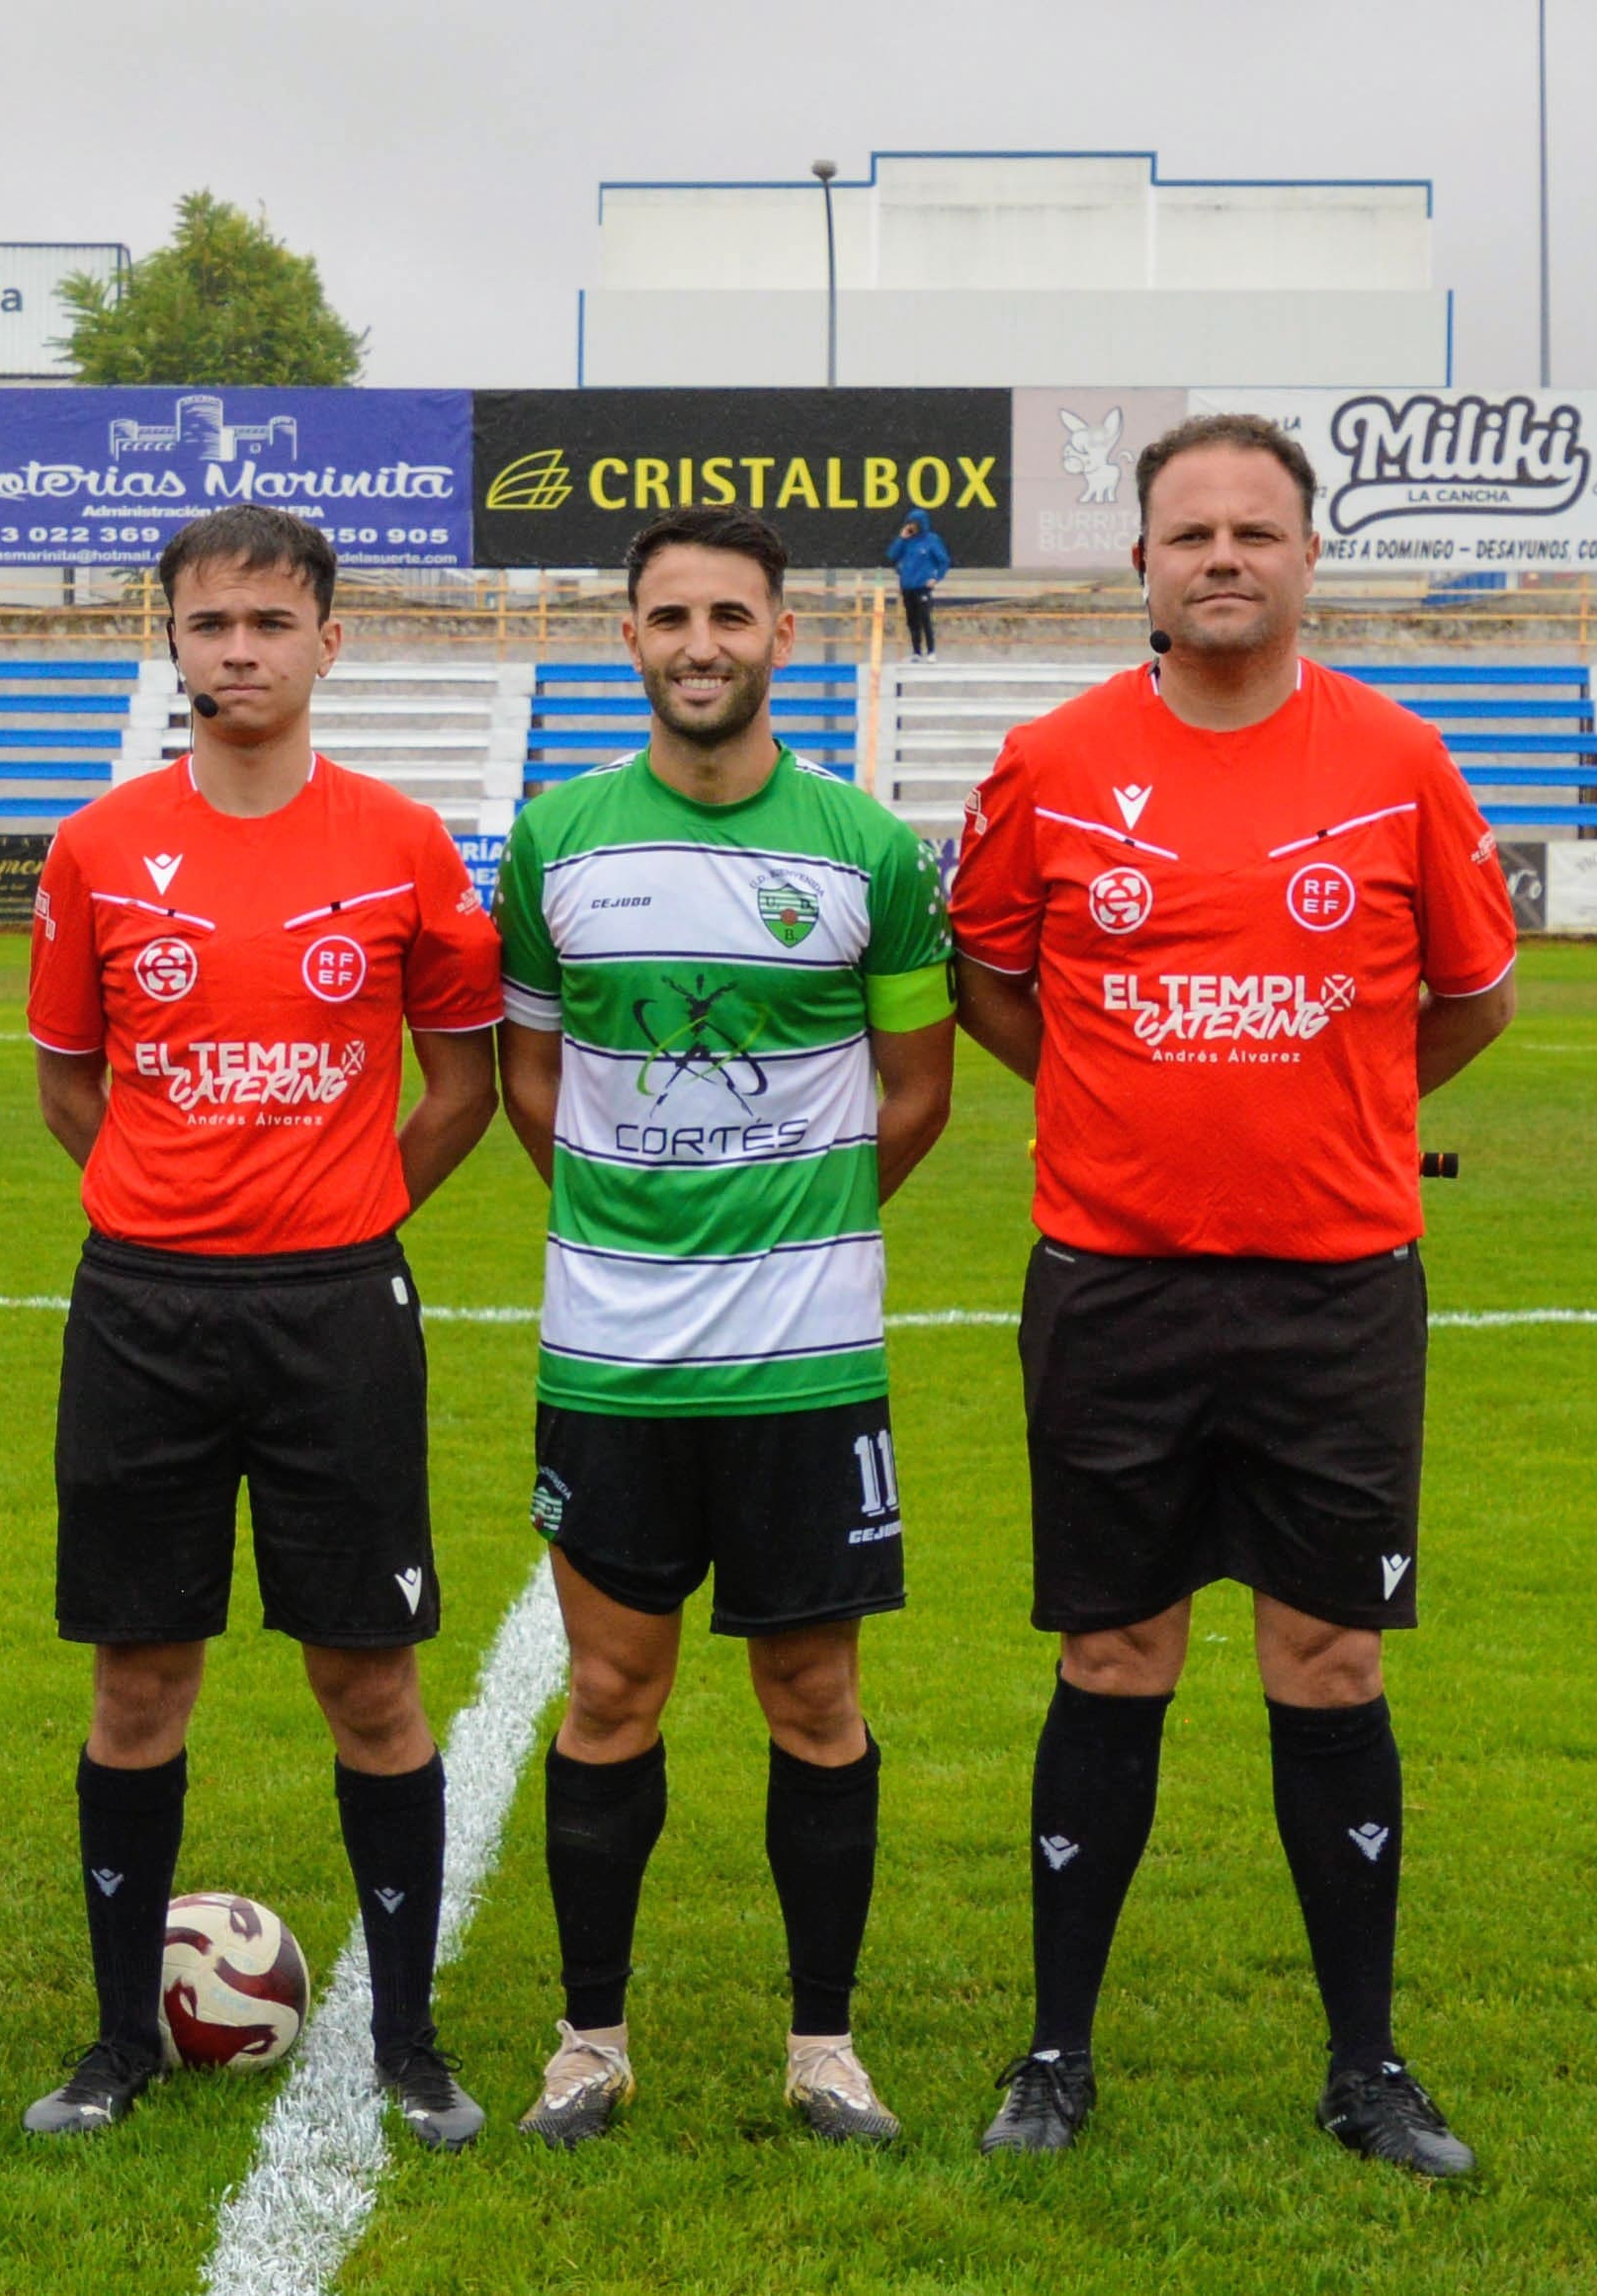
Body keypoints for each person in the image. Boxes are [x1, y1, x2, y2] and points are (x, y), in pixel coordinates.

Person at [948, 411, 1517, 2179]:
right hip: (1112, 1285)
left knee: (1324, 1653)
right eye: (1185, 529)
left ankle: (1364, 2063)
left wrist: (1328, 1108)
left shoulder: (1398, 757)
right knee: (1111, 1651)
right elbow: (990, 984)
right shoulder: (1047, 760)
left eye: (1252, 530)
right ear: (1136, 560)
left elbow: (1472, 998)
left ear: (1305, 556)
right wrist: (1124, 1106)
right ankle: (1052, 2050)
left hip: (1334, 1289)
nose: (1219, 555)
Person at [18, 504, 504, 2146]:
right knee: (137, 1671)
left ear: (326, 644)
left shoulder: (402, 843)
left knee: (369, 1675)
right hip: (143, 1308)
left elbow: (461, 1085)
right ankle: (110, 2039)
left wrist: (343, 1204)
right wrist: (170, 1203)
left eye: (269, 623)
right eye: (209, 622)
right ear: (169, 638)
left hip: (334, 1308)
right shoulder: (95, 847)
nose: (238, 649)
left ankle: (412, 2041)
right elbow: (67, 1084)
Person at [497, 505, 957, 2148]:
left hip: (807, 1355)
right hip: (611, 1354)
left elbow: (916, 1091)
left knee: (812, 1696)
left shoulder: (867, 852)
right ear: (629, 636)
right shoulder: (555, 843)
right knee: (609, 1691)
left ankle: (821, 2046)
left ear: (781, 634)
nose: (700, 642)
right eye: (669, 614)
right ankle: (588, 2040)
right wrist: (639, 1218)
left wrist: (791, 1223)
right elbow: (529, 1080)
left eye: (731, 615)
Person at [887, 512, 952, 659]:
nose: (912, 527)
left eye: (915, 524)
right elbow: (892, 555)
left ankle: (931, 651)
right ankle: (916, 652)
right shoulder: (906, 541)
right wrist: (901, 539)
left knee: (925, 618)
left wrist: (936, 578)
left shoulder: (932, 540)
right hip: (907, 586)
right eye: (910, 524)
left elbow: (944, 561)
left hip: (922, 586)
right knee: (912, 621)